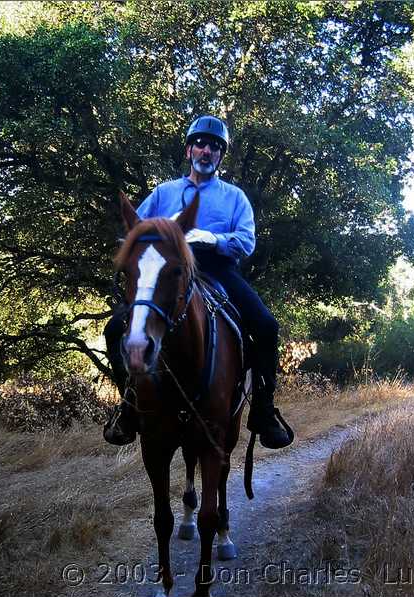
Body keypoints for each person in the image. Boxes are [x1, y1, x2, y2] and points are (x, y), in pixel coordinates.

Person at [103, 115, 293, 450]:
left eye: (215, 147)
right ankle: (129, 407)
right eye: (201, 144)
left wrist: (213, 239)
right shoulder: (164, 193)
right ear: (189, 149)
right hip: (168, 277)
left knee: (265, 325)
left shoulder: (234, 197)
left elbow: (246, 242)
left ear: (220, 156)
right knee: (115, 327)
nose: (207, 151)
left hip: (217, 271)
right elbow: (135, 233)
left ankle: (264, 411)